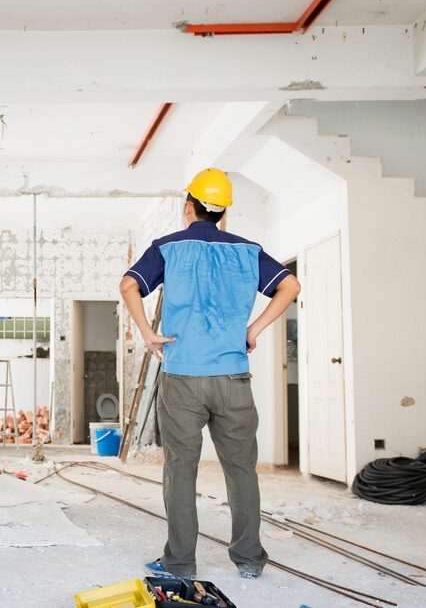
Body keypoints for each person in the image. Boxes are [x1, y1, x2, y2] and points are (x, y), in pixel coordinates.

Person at [119, 168, 300, 580]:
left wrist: (149, 333)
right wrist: (252, 330)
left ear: (189, 207)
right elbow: (290, 286)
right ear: (223, 214)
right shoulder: (248, 250)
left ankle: (180, 563)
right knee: (241, 470)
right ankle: (250, 560)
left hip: (182, 378)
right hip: (234, 377)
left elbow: (129, 285)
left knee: (181, 470)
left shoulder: (168, 247)